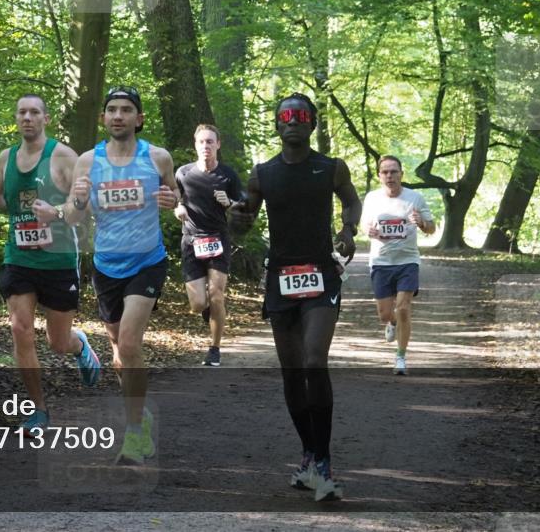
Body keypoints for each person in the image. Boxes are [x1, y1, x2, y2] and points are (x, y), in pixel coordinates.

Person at [231, 92, 360, 502]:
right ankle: (308, 454)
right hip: (281, 280)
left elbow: (352, 201)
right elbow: (244, 223)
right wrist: (238, 218)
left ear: (312, 123)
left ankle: (323, 461)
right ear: (276, 123)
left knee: (314, 362)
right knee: (291, 373)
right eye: (285, 115)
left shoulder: (331, 168)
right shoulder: (262, 174)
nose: (293, 121)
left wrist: (348, 229)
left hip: (321, 275)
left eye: (300, 115)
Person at [65, 85, 179, 466]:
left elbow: (174, 197)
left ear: (138, 118)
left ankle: (135, 433)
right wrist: (79, 199)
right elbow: (73, 216)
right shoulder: (87, 161)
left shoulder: (158, 157)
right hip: (106, 266)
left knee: (129, 344)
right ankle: (139, 412)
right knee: (118, 354)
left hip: (147, 260)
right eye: (111, 109)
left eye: (126, 109)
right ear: (103, 118)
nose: (118, 115)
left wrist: (171, 201)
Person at [0, 94, 101, 436]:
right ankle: (38, 410)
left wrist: (57, 211)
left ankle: (79, 345)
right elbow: (7, 200)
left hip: (58, 258)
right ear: (16, 118)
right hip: (18, 257)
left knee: (57, 343)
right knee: (20, 328)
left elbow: (82, 209)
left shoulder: (64, 157)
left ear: (46, 118)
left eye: (35, 112)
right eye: (22, 112)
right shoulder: (6, 157)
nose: (28, 118)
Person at [174, 124, 244, 366]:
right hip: (192, 241)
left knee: (216, 294)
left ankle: (214, 349)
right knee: (197, 304)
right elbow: (174, 197)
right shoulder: (183, 173)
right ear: (196, 144)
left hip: (218, 239)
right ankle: (209, 311)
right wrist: (178, 207)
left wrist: (231, 203)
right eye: (202, 142)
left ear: (218, 145)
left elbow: (244, 206)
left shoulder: (228, 175)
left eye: (210, 142)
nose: (206, 146)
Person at [360, 155, 435, 376]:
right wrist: (369, 231)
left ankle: (400, 357)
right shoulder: (372, 198)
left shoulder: (415, 198)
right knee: (385, 315)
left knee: (403, 308)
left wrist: (421, 222)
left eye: (394, 171)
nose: (390, 176)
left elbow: (431, 228)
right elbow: (365, 224)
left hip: (408, 261)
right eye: (385, 172)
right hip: (381, 262)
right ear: (379, 175)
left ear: (402, 173)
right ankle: (391, 323)